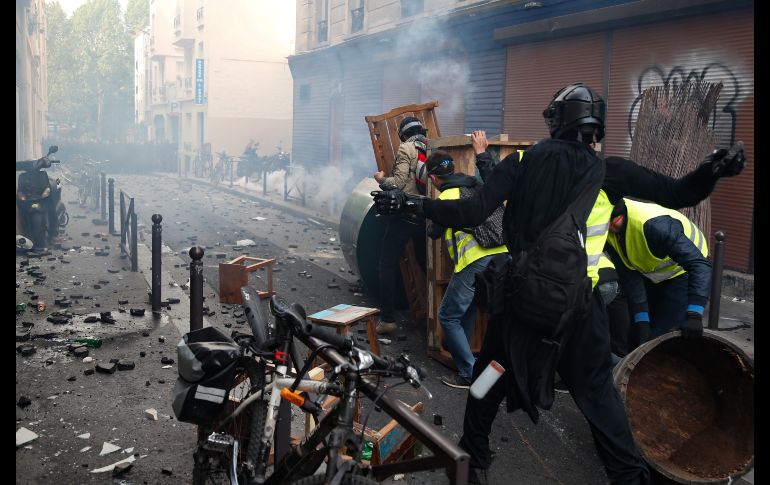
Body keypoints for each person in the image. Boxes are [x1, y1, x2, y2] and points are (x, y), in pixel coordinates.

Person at [371, 83, 747, 485]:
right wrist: (713, 170)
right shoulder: (607, 171)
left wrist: (412, 203)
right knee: (599, 395)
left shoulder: (522, 160)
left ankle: (472, 457)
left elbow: (472, 210)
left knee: (488, 375)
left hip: (520, 303)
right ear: (595, 129)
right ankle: (630, 476)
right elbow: (677, 193)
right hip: (578, 310)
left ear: (554, 122)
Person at [423, 149, 508, 389]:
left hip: (475, 259)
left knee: (448, 315)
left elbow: (434, 231)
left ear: (433, 179)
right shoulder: (476, 186)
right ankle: (470, 362)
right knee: (469, 309)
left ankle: (468, 373)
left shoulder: (447, 196)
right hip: (502, 256)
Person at [605, 198, 711, 348]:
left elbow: (700, 266)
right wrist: (642, 321)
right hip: (653, 273)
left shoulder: (656, 226)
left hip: (685, 271)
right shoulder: (609, 233)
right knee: (638, 334)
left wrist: (694, 313)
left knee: (665, 334)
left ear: (617, 218)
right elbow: (630, 276)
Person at [372, 116, 429, 334]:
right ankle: (431, 316)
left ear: (403, 135)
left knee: (387, 263)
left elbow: (399, 183)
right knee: (426, 265)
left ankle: (387, 319)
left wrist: (381, 179)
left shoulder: (406, 148)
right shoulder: (432, 147)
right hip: (428, 215)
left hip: (406, 215)